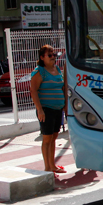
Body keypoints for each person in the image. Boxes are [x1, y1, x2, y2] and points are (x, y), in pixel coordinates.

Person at [30, 44, 66, 174]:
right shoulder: (39, 71)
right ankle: (47, 167)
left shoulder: (57, 69)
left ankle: (53, 165)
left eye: (54, 55)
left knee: (54, 137)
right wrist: (39, 110)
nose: (53, 57)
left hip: (58, 109)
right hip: (46, 109)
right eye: (49, 55)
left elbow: (62, 87)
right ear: (42, 57)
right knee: (47, 139)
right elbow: (33, 90)